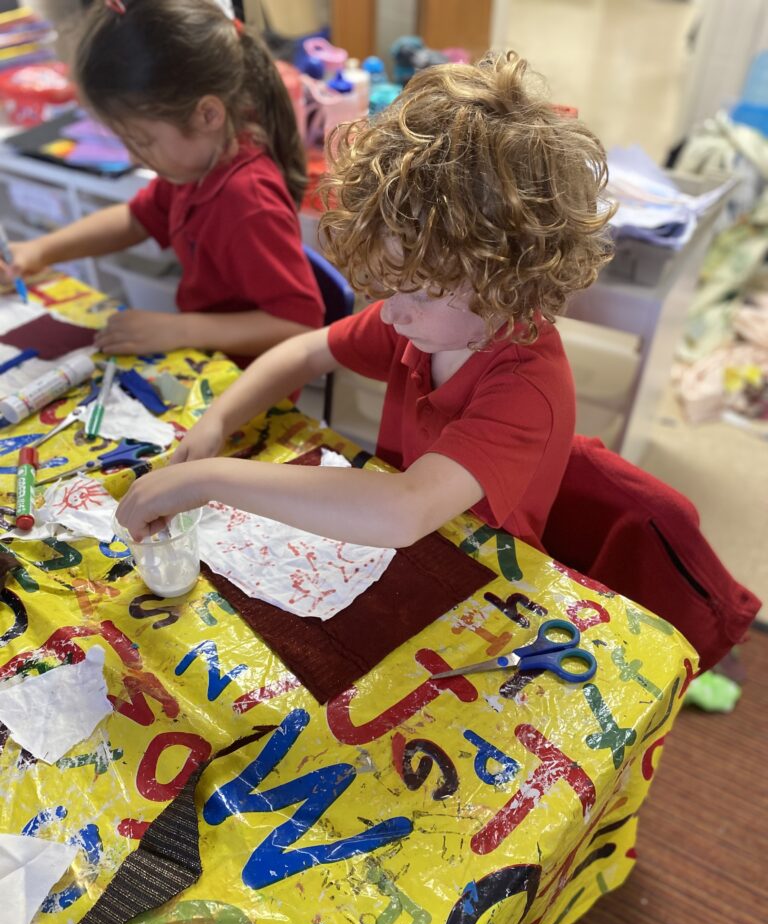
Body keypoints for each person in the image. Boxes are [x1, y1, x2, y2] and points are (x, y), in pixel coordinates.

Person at [116, 51, 613, 550]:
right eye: (391, 287)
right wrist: (217, 421)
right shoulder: (428, 325)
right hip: (409, 556)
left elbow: (403, 509)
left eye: (418, 289)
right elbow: (307, 351)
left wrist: (209, 480)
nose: (392, 312)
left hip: (483, 583)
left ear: (505, 279)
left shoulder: (527, 390)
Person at [0, 0, 323, 364]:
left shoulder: (246, 199)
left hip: (244, 387)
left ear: (208, 114)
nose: (135, 158)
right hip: (203, 359)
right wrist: (41, 250)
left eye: (143, 142)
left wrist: (180, 329)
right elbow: (137, 218)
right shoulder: (197, 166)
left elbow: (300, 325)